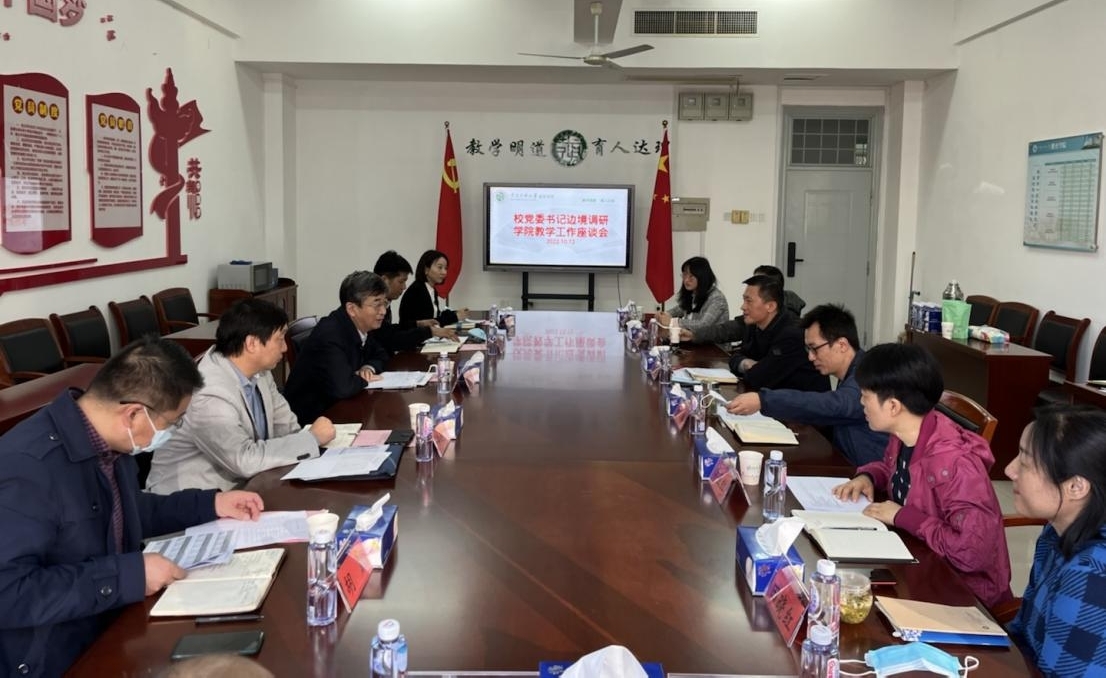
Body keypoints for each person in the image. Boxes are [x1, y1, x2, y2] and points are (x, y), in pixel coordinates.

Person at [0, 337, 264, 676]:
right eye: (173, 422)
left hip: (113, 625)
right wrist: (128, 575)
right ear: (134, 414)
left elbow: (127, 511)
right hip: (53, 657)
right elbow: (9, 593)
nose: (171, 432)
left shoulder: (110, 442)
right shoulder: (27, 468)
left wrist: (210, 504)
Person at [832, 342, 1012, 610]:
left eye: (865, 396)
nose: (861, 403)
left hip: (962, 595)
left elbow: (971, 553)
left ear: (893, 406)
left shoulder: (956, 464)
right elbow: (895, 470)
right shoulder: (906, 433)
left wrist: (902, 516)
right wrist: (869, 476)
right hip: (917, 560)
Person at [146, 298, 337, 494]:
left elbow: (286, 427)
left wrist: (310, 445)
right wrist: (311, 439)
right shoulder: (209, 393)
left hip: (247, 485)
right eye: (279, 339)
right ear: (252, 344)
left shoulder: (260, 371)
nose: (285, 348)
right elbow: (243, 460)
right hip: (193, 498)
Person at [1006, 405, 1106, 677]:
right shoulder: (1055, 531)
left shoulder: (1090, 576)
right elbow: (1022, 631)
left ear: (1076, 487)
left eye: (1025, 462)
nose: (1010, 470)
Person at [725, 304, 888, 466]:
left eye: (815, 349)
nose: (810, 357)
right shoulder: (854, 369)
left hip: (869, 474)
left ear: (842, 345)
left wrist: (764, 400)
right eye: (808, 349)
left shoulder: (868, 375)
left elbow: (836, 404)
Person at [284, 270, 391, 425]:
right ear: (352, 309)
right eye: (377, 305)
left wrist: (368, 368)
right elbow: (344, 387)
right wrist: (360, 378)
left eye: (385, 303)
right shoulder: (330, 334)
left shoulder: (359, 326)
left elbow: (381, 354)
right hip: (314, 420)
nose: (383, 311)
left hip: (340, 409)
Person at [727, 274, 829, 392]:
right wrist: (745, 363)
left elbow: (759, 379)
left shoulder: (792, 334)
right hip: (776, 394)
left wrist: (754, 369)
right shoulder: (755, 324)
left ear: (771, 306)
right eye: (744, 300)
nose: (743, 307)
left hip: (805, 399)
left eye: (749, 301)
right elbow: (736, 357)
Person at [681, 264, 805, 345]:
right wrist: (694, 335)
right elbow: (726, 330)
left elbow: (765, 370)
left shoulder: (790, 332)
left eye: (749, 301)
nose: (742, 307)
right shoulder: (753, 320)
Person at [373, 250, 456, 352]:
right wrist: (429, 331)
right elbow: (390, 339)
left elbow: (389, 330)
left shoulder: (386, 302)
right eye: (401, 281)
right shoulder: (373, 306)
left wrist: (418, 324)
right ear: (384, 280)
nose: (404, 287)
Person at [655, 256, 729, 335]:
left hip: (713, 342)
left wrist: (673, 322)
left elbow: (703, 325)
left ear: (702, 277)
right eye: (685, 275)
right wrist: (664, 314)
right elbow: (679, 309)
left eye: (691, 276)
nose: (686, 280)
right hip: (693, 340)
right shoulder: (693, 293)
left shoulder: (717, 298)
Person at [399, 249, 469, 328]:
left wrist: (455, 313)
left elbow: (436, 316)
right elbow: (430, 322)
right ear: (426, 269)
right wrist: (455, 317)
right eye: (440, 267)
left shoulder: (431, 289)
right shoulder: (417, 290)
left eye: (446, 268)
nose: (444, 272)